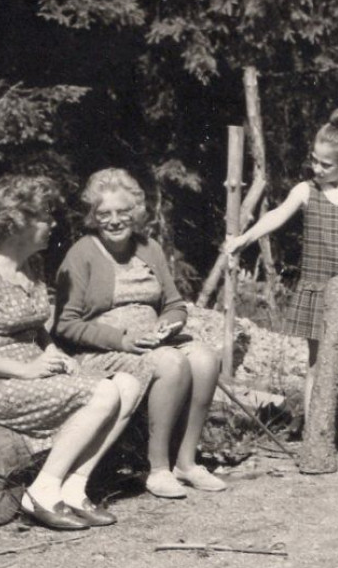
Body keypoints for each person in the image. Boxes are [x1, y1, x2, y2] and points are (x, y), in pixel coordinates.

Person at [0, 174, 143, 530]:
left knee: (129, 384)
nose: (53, 224)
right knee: (102, 391)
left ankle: (73, 487)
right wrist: (25, 370)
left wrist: (57, 354)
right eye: (44, 217)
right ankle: (42, 490)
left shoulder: (32, 265)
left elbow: (36, 326)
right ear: (17, 221)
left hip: (37, 371)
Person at [226, 109, 338, 463]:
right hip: (316, 288)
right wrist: (244, 238)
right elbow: (275, 217)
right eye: (314, 161)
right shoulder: (306, 191)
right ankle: (316, 429)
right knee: (316, 363)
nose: (317, 169)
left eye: (326, 165)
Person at [54, 168, 225, 499]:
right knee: (172, 363)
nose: (115, 221)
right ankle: (158, 468)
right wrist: (122, 339)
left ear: (136, 213)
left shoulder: (150, 249)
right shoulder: (82, 253)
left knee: (205, 359)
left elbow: (175, 305)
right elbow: (65, 323)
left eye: (123, 212)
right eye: (104, 213)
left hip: (154, 342)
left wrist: (168, 325)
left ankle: (186, 462)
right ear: (92, 216)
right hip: (103, 351)